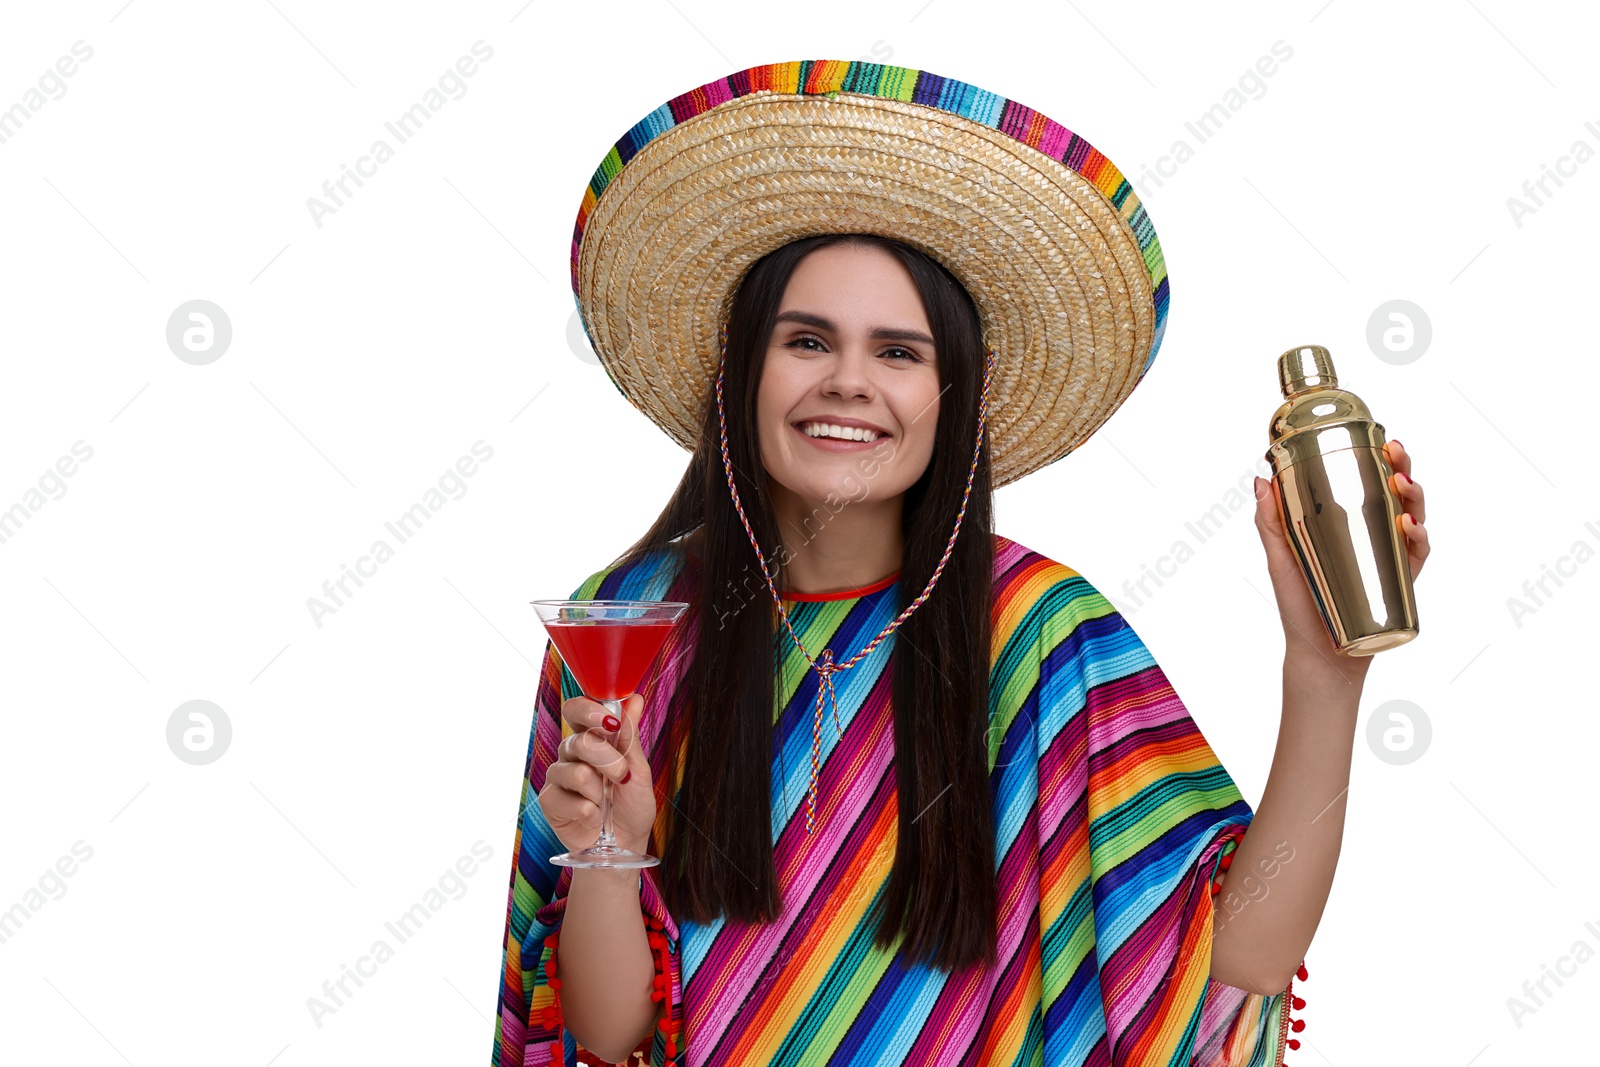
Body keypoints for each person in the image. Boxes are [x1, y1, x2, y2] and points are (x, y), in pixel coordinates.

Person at [492, 61, 1429, 1067]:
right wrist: (605, 848)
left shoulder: (1042, 630)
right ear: (742, 368)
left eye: (898, 352)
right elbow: (610, 1031)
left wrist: (1326, 671)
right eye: (805, 339)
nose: (847, 381)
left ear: (954, 395)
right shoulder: (628, 622)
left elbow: (1235, 953)